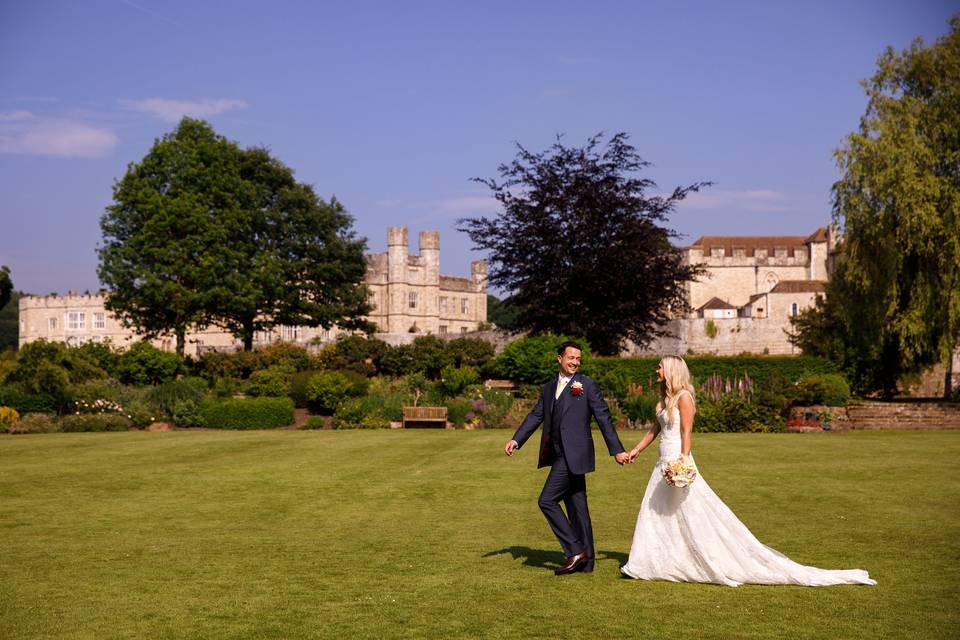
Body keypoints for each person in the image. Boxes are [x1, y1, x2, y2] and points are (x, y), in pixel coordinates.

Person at [620, 355, 876, 586]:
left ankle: (699, 557)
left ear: (672, 370)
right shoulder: (666, 399)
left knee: (691, 512)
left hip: (677, 461)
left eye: (660, 366)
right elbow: (656, 430)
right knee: (657, 512)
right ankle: (653, 560)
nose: (656, 370)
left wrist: (683, 462)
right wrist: (637, 450)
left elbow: (687, 432)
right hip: (662, 463)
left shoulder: (685, 398)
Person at [505, 341, 630, 575]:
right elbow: (536, 415)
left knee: (546, 500)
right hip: (559, 454)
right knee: (577, 509)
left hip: (576, 454)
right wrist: (517, 439)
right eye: (570, 357)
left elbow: (603, 418)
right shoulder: (549, 387)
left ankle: (574, 551)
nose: (575, 362)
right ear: (559, 358)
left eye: (578, 359)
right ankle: (587, 562)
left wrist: (617, 450)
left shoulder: (587, 386)